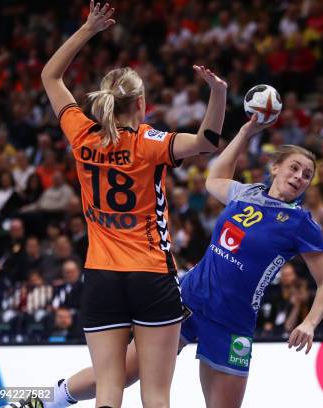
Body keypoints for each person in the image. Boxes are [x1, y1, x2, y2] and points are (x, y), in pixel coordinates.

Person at [40, 116, 323, 408]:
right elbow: (214, 179)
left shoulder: (301, 224)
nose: (299, 177)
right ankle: (39, 401)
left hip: (232, 321)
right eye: (294, 168)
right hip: (188, 300)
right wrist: (245, 131)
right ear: (275, 168)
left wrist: (309, 323)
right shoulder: (247, 194)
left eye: (307, 175)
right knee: (120, 375)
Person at [40, 2, 227, 407]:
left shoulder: (82, 135)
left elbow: (49, 75)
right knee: (156, 393)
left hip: (101, 276)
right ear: (141, 104)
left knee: (107, 390)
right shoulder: (149, 142)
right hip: (151, 274)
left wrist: (88, 29)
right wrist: (219, 94)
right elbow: (207, 142)